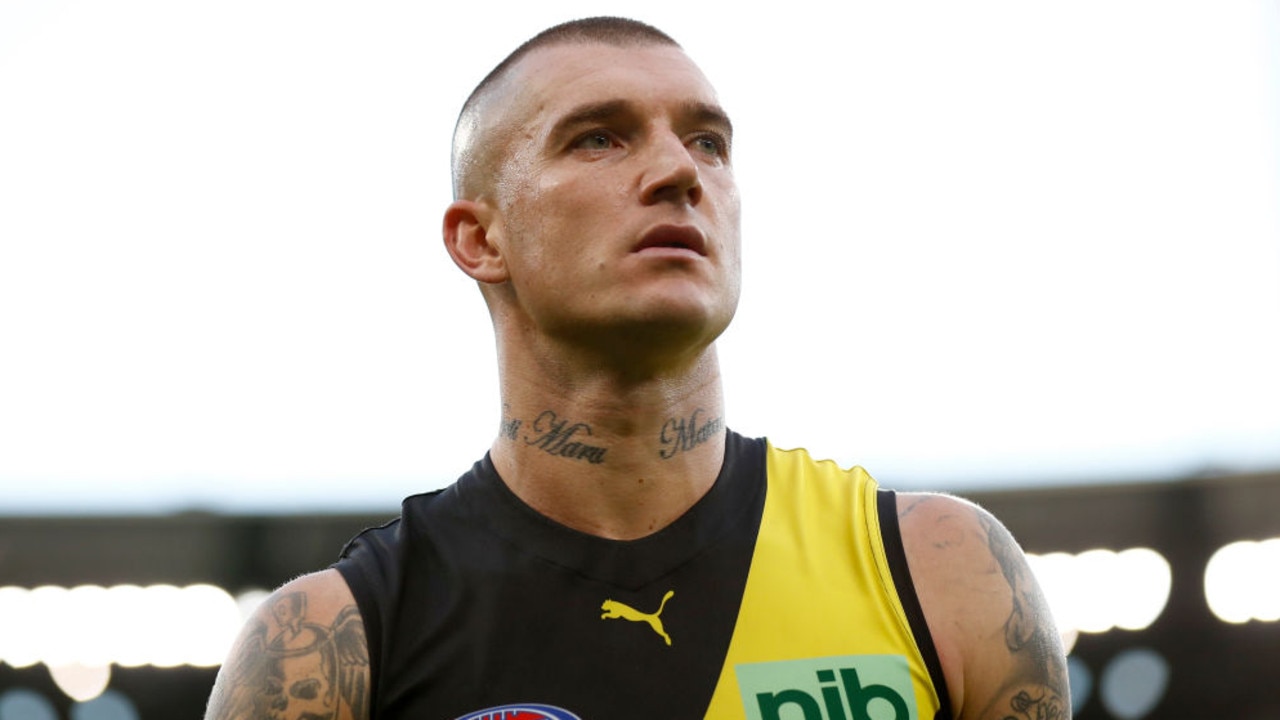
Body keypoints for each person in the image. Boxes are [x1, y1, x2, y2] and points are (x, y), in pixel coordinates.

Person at [204, 16, 1070, 720]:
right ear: (480, 238)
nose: (678, 172)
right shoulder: (332, 642)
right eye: (599, 139)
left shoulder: (940, 572)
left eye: (709, 142)